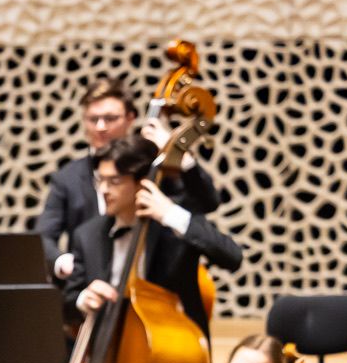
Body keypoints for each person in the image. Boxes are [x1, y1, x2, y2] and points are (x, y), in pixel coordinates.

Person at [36, 77, 219, 283]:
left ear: (131, 118)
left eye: (110, 118)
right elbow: (43, 236)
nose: (101, 126)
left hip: (151, 284)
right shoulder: (67, 177)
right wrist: (67, 262)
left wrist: (176, 152)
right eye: (93, 119)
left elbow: (207, 202)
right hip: (85, 289)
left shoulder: (151, 168)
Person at [61, 134, 242, 338]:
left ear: (142, 183)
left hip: (174, 343)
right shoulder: (87, 235)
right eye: (100, 180)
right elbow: (68, 303)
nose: (103, 190)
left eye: (114, 181)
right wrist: (82, 300)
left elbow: (232, 257)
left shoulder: (173, 224)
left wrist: (170, 215)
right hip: (111, 347)